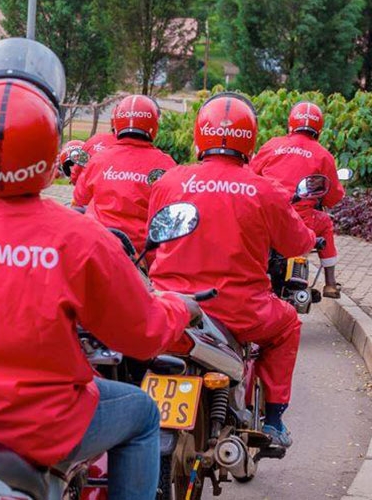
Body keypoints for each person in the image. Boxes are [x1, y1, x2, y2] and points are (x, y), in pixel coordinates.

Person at [0, 38, 197, 499]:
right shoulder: (78, 239)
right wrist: (178, 307)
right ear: (50, 148)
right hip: (37, 430)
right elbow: (143, 333)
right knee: (143, 414)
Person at [147, 93, 316, 448]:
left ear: (199, 136)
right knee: (288, 325)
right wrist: (314, 234)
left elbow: (154, 241)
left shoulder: (169, 182)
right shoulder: (264, 189)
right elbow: (297, 244)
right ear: (250, 140)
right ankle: (273, 421)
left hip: (170, 304)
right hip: (241, 311)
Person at [251, 101, 345, 298]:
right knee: (326, 223)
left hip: (265, 217)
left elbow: (250, 175)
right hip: (302, 220)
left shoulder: (272, 145)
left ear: (291, 124)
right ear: (318, 128)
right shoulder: (323, 155)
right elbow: (333, 197)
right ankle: (330, 284)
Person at [73, 95, 176, 254]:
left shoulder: (99, 157)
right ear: (154, 125)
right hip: (142, 254)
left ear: (116, 122)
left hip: (98, 245)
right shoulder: (166, 164)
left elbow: (80, 197)